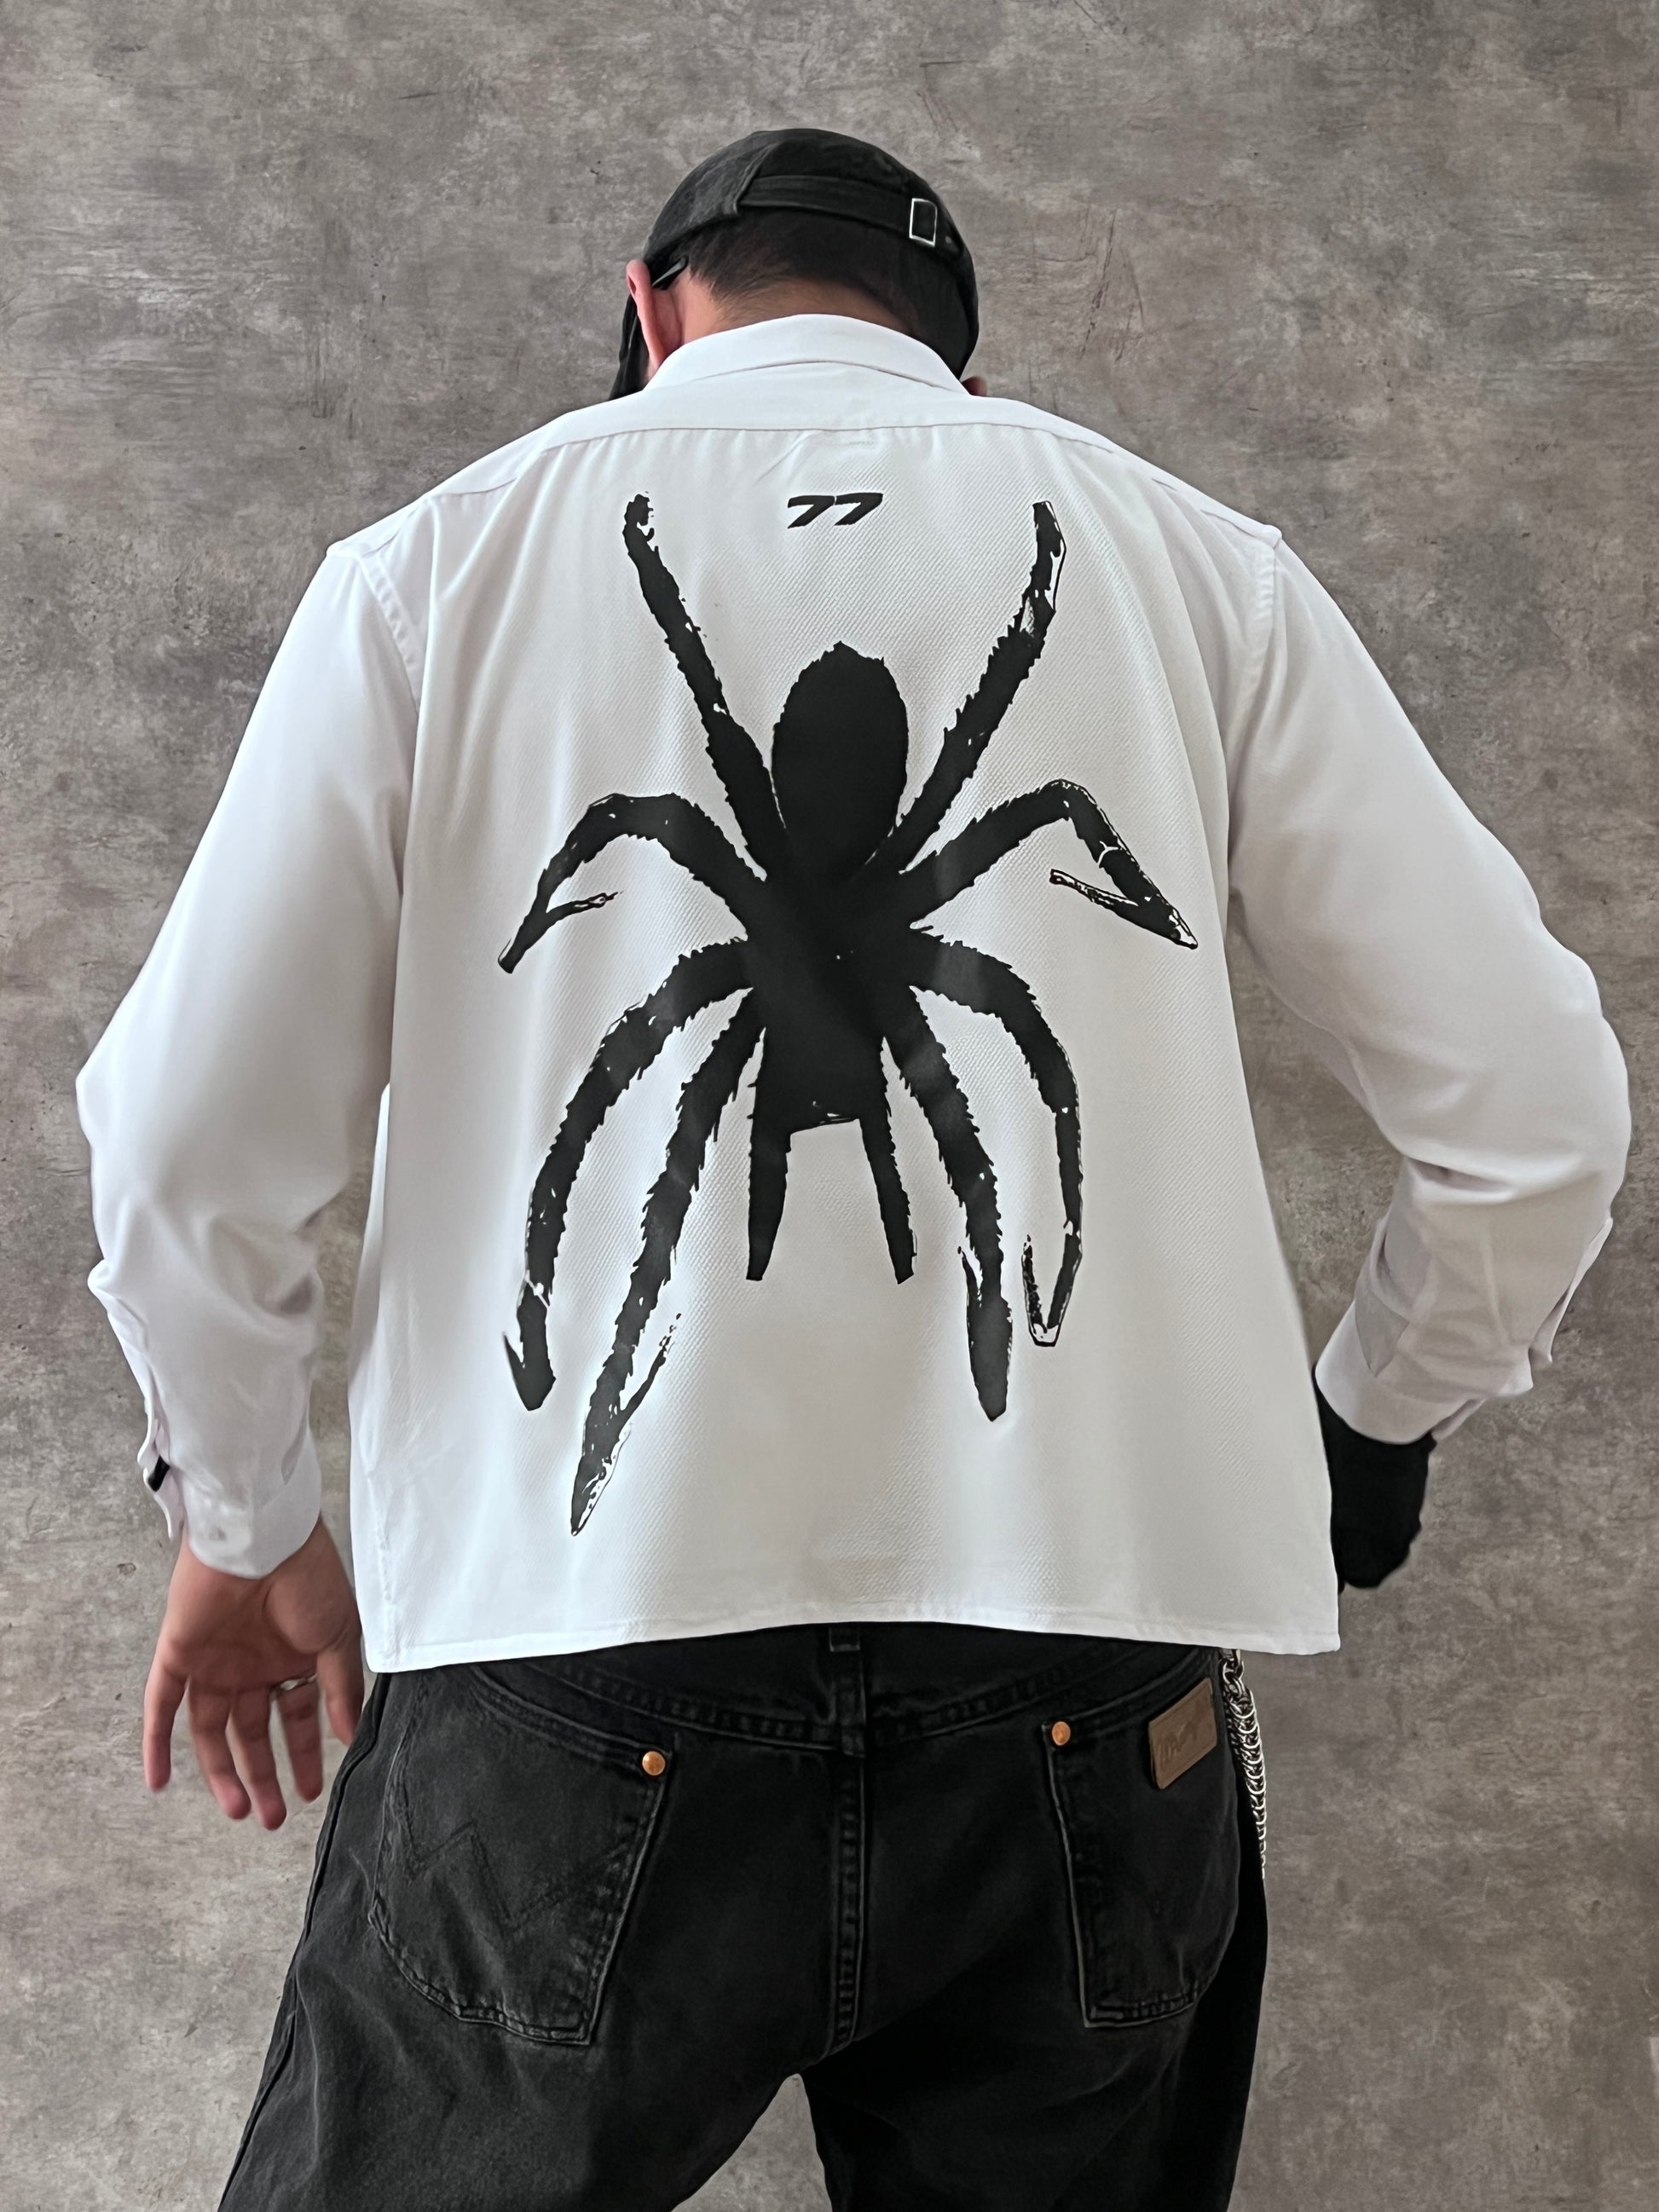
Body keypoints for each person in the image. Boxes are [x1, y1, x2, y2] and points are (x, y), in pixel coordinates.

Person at [76, 127, 1629, 2211]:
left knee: (652, 1101)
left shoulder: (434, 568)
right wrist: (1365, 1419)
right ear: (965, 376)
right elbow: (1535, 1106)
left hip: (576, 1649)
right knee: (996, 1110)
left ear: (649, 312)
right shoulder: (1188, 561)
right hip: (1081, 1674)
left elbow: (182, 1136)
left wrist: (246, 1509)